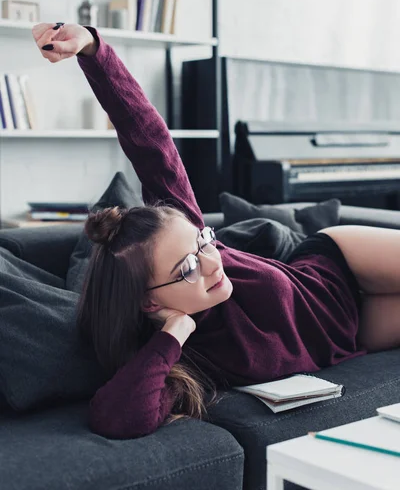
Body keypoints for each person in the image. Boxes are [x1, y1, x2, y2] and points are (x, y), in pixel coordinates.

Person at [33, 22, 400, 440]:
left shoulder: (180, 224)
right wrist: (174, 334)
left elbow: (148, 139)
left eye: (203, 242)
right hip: (353, 329)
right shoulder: (182, 357)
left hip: (336, 269)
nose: (212, 261)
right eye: (188, 266)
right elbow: (119, 418)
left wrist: (94, 50)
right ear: (150, 304)